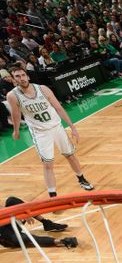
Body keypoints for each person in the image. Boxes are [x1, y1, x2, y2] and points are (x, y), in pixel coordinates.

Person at [6, 66, 94, 198]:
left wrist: (73, 128)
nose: (21, 78)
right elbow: (16, 115)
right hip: (40, 133)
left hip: (56, 127)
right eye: (17, 76)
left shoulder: (43, 89)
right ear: (13, 79)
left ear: (27, 76)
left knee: (70, 155)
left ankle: (81, 179)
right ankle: (52, 195)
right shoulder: (12, 96)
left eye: (23, 75)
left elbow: (58, 108)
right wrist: (16, 131)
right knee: (48, 164)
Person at [0, 196, 76, 249]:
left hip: (7, 221)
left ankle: (46, 223)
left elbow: (2, 210)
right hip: (6, 236)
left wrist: (22, 212)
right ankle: (61, 241)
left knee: (11, 200)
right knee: (25, 238)